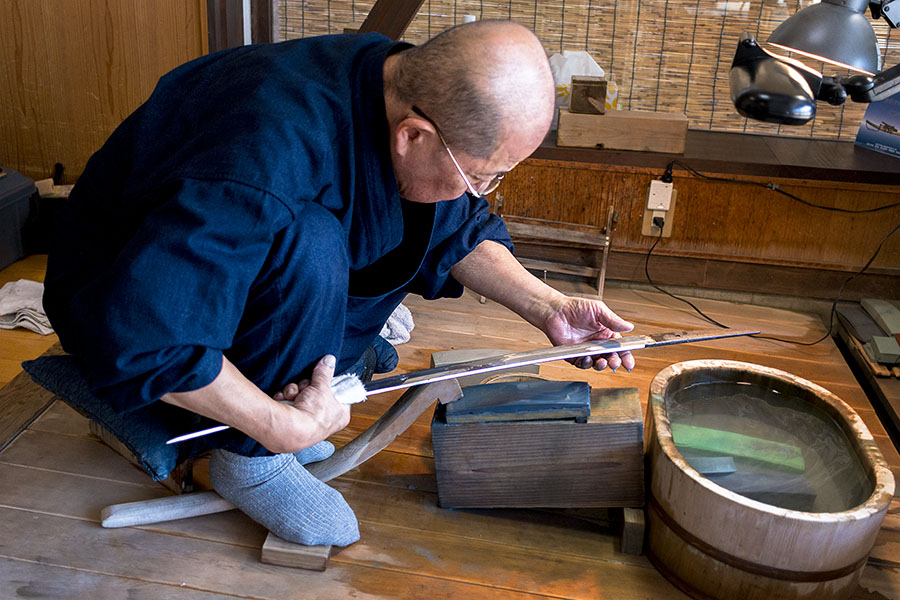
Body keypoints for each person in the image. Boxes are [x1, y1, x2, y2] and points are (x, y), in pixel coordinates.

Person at [42, 20, 635, 547]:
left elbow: (455, 227)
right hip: (127, 291)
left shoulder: (390, 78)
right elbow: (150, 335)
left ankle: (279, 397)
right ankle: (244, 460)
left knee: (414, 208)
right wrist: (279, 428)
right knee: (315, 240)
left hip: (234, 251)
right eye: (485, 177)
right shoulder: (263, 156)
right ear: (414, 136)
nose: (482, 192)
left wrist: (549, 306)